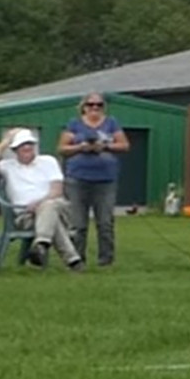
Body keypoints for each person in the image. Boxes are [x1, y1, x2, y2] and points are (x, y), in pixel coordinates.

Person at [57, 92, 129, 267]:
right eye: (90, 104)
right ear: (83, 106)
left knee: (105, 222)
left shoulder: (111, 123)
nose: (95, 108)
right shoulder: (74, 124)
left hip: (105, 179)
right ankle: (76, 259)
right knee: (78, 223)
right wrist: (81, 147)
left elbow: (124, 145)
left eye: (99, 105)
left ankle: (106, 260)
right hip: (77, 178)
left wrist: (105, 146)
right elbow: (62, 148)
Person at [0, 128, 83, 270]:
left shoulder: (48, 161)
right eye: (22, 145)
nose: (27, 147)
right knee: (51, 218)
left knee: (49, 205)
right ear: (15, 149)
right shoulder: (7, 166)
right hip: (25, 216)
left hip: (57, 207)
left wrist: (39, 204)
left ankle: (42, 244)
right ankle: (71, 260)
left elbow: (57, 190)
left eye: (29, 144)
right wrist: (6, 141)